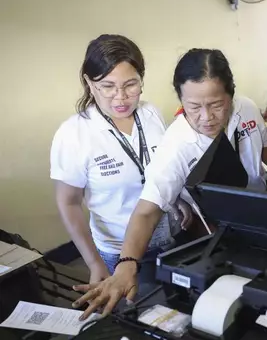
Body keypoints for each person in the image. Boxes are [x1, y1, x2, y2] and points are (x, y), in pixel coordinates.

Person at [71, 48, 267, 319]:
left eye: (217, 104)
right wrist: (125, 265)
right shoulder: (177, 144)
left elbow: (266, 146)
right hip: (221, 237)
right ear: (181, 99)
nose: (206, 117)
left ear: (231, 94)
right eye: (194, 107)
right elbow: (147, 209)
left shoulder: (247, 107)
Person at [50, 34, 192, 283]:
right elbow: (69, 203)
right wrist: (94, 263)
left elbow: (164, 168)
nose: (121, 97)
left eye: (130, 85)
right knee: (136, 314)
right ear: (90, 83)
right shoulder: (74, 134)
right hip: (119, 251)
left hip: (170, 237)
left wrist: (178, 198)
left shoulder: (150, 113)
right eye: (108, 86)